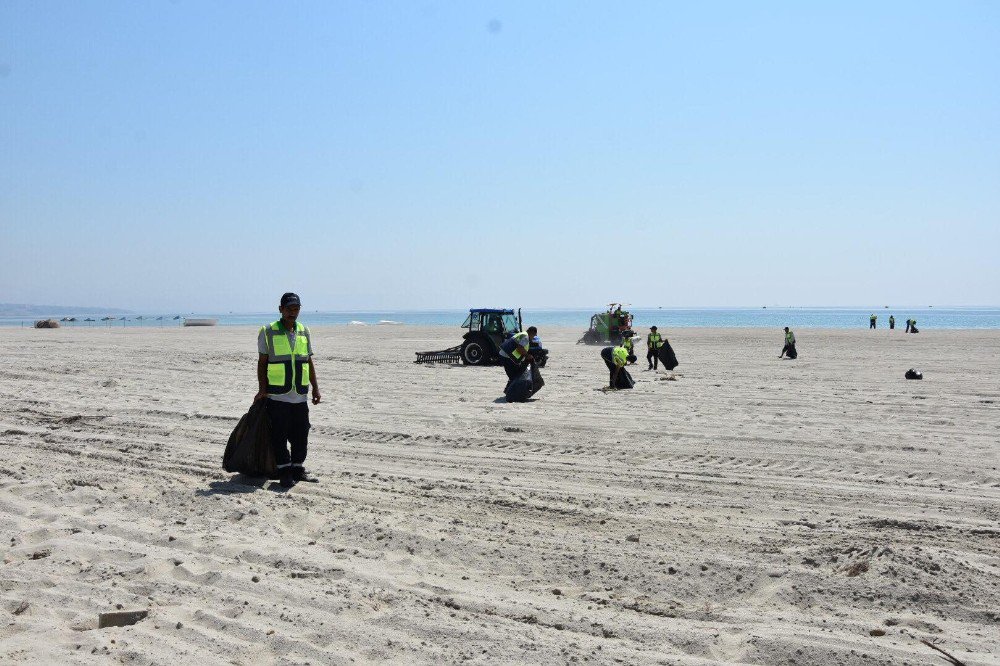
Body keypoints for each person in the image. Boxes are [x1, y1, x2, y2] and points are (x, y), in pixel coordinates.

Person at [255, 292, 321, 488]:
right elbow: (262, 363)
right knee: (279, 436)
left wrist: (315, 388)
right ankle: (284, 472)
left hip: (300, 395)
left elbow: (308, 361)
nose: (293, 312)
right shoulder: (268, 331)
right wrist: (262, 389)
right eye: (289, 309)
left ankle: (298, 469)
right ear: (281, 310)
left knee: (301, 434)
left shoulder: (304, 331)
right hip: (277, 395)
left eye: (296, 308)